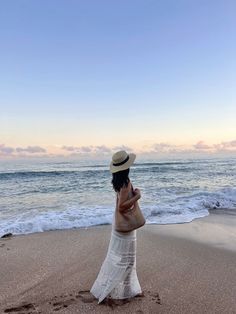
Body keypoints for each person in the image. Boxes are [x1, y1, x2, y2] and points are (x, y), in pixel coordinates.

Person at [90, 150, 142, 304]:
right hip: (126, 228)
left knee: (117, 259)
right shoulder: (126, 183)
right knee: (129, 261)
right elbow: (121, 207)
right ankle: (125, 292)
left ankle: (112, 289)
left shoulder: (117, 182)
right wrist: (137, 196)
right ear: (127, 167)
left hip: (118, 225)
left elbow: (119, 204)